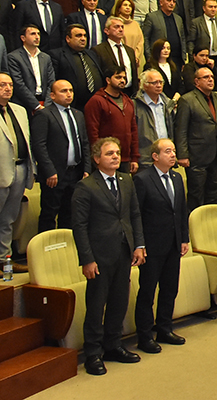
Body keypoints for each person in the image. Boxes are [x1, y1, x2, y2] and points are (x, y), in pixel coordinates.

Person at [71, 137, 146, 375]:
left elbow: (134, 215)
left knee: (119, 301)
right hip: (99, 255)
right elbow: (79, 226)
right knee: (96, 305)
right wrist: (87, 259)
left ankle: (113, 345)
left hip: (124, 251)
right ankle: (93, 353)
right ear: (96, 159)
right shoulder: (86, 186)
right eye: (109, 153)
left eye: (117, 152)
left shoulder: (126, 181)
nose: (115, 156)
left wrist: (139, 245)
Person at [131, 138, 188, 354]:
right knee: (147, 292)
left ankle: (164, 328)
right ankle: (144, 336)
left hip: (173, 243)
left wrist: (184, 238)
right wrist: (140, 244)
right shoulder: (143, 180)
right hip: (152, 245)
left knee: (169, 289)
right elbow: (136, 215)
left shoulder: (177, 177)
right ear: (155, 156)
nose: (173, 155)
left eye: (174, 150)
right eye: (167, 151)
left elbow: (181, 210)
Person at [31, 79, 90, 233]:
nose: (68, 94)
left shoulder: (78, 114)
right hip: (55, 174)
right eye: (63, 91)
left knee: (70, 214)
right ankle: (46, 252)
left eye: (70, 90)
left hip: (75, 172)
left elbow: (84, 143)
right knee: (49, 214)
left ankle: (65, 251)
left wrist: (87, 169)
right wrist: (49, 170)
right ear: (53, 95)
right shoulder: (44, 114)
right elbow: (39, 145)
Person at [175, 66, 217, 208]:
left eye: (211, 77)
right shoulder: (187, 100)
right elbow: (181, 129)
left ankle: (209, 224)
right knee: (196, 194)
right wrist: (182, 155)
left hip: (216, 155)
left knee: (213, 193)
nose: (210, 79)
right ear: (196, 82)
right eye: (206, 77)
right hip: (196, 156)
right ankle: (194, 226)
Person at [0, 73, 32, 270]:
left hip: (20, 169)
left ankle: (4, 260)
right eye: (2, 85)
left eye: (10, 85)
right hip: (1, 171)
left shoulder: (19, 110)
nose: (8, 88)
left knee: (8, 219)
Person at [84, 68, 139, 173]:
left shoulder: (128, 101)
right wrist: (98, 157)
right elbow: (92, 132)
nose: (122, 80)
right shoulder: (96, 101)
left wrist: (134, 157)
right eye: (118, 77)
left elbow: (134, 130)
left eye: (124, 77)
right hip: (105, 159)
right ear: (108, 80)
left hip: (125, 159)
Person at [9, 24, 54, 112]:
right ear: (23, 38)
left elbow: (51, 82)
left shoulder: (46, 57)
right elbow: (18, 84)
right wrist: (37, 106)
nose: (37, 37)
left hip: (45, 102)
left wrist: (47, 105)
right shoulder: (14, 57)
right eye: (33, 34)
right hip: (23, 104)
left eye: (38, 34)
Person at [134, 70, 174, 169]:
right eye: (154, 83)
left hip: (165, 156)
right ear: (145, 85)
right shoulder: (135, 105)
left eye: (161, 82)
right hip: (145, 158)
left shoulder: (167, 104)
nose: (159, 85)